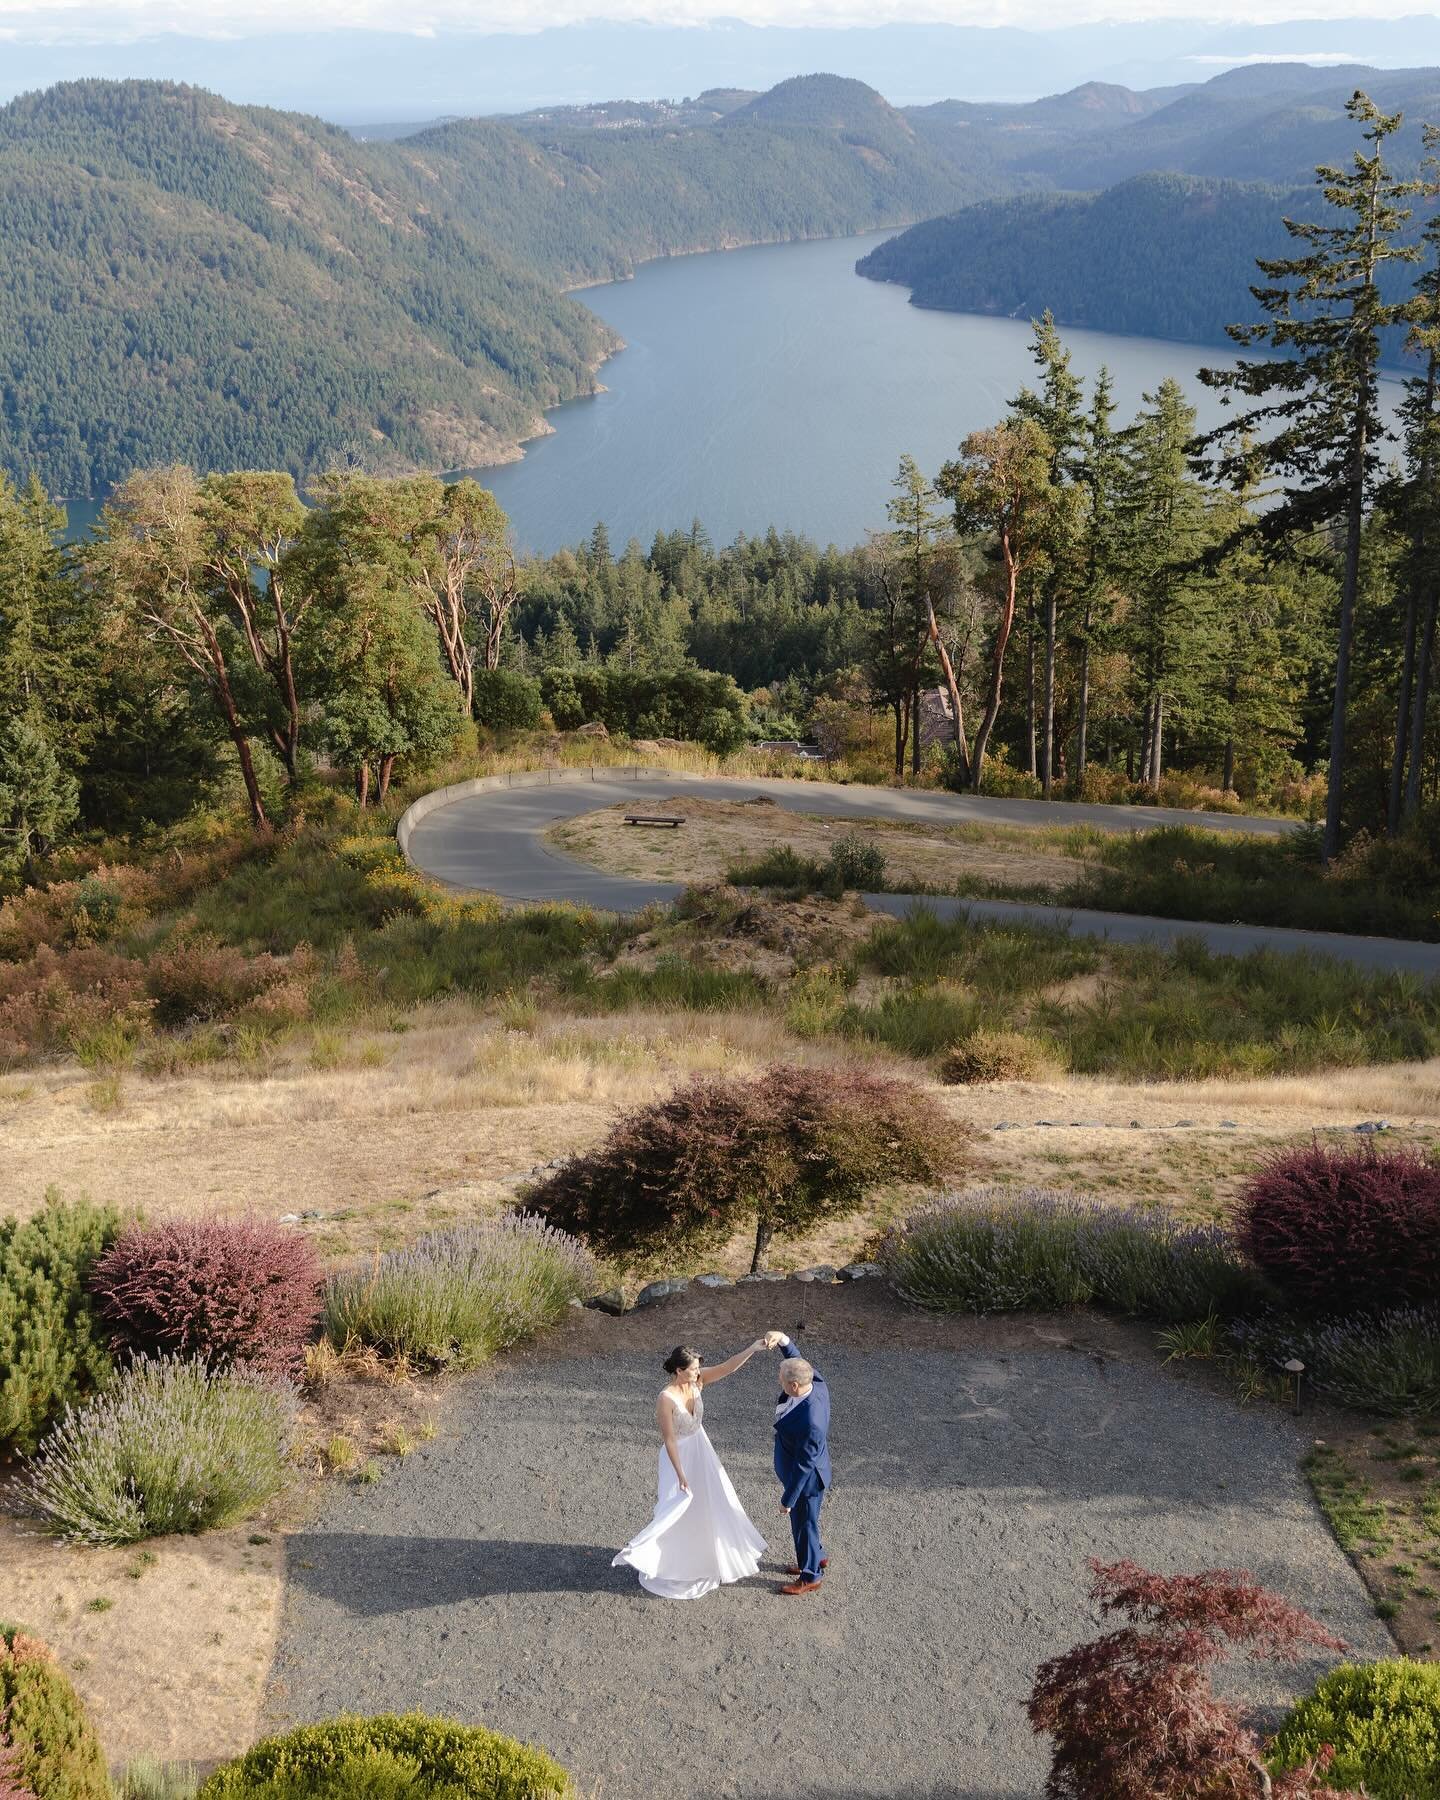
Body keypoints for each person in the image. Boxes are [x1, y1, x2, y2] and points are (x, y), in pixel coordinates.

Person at [612, 1336, 774, 1600]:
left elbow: (728, 1367)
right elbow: (669, 1440)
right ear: (679, 1370)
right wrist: (680, 1474)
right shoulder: (666, 1398)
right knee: (675, 1508)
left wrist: (753, 1349)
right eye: (694, 1368)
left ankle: (703, 1558)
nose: (699, 1371)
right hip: (679, 1456)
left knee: (710, 1503)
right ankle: (661, 1560)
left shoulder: (697, 1382)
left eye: (698, 1367)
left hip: (702, 1450)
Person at [771, 1331, 831, 1597]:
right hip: (807, 1473)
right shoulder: (814, 1382)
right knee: (809, 1523)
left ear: (794, 1386)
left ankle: (811, 1575)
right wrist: (783, 1339)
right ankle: (816, 1557)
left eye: (782, 1379)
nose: (779, 1381)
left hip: (806, 1483)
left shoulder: (810, 1422)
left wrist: (788, 1499)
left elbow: (803, 1466)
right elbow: (798, 1360)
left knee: (804, 1524)